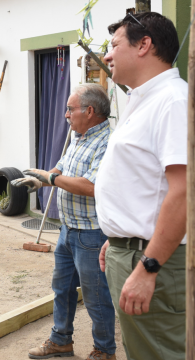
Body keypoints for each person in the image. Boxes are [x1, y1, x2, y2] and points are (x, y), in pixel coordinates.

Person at [95, 12, 187, 360]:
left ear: (144, 45)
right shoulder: (143, 100)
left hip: (153, 261)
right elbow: (146, 184)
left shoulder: (172, 101)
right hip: (134, 250)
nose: (107, 55)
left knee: (160, 352)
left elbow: (184, 192)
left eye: (115, 45)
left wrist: (148, 265)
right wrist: (120, 237)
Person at [12, 83, 116, 360]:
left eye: (70, 109)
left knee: (96, 297)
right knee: (62, 289)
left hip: (91, 233)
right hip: (68, 229)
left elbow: (91, 186)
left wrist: (50, 178)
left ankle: (105, 351)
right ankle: (61, 341)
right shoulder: (80, 136)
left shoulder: (107, 142)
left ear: (90, 111)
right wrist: (43, 179)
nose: (66, 115)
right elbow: (61, 166)